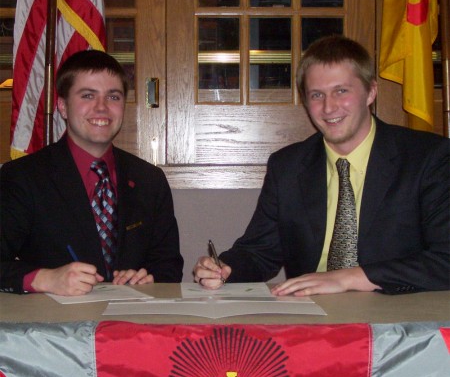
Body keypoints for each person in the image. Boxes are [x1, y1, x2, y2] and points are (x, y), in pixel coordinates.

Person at [193, 35, 449, 296]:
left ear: (371, 92)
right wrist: (225, 269)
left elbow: (445, 259)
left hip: (398, 317)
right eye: (317, 95)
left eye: (341, 91)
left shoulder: (428, 158)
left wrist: (350, 278)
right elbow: (260, 252)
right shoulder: (288, 166)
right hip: (313, 318)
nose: (329, 107)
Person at [0, 50, 183, 295]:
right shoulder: (22, 177)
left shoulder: (149, 180)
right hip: (54, 326)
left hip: (130, 323)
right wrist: (44, 279)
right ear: (63, 107)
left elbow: (168, 266)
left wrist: (147, 279)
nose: (102, 107)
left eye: (113, 97)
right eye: (88, 95)